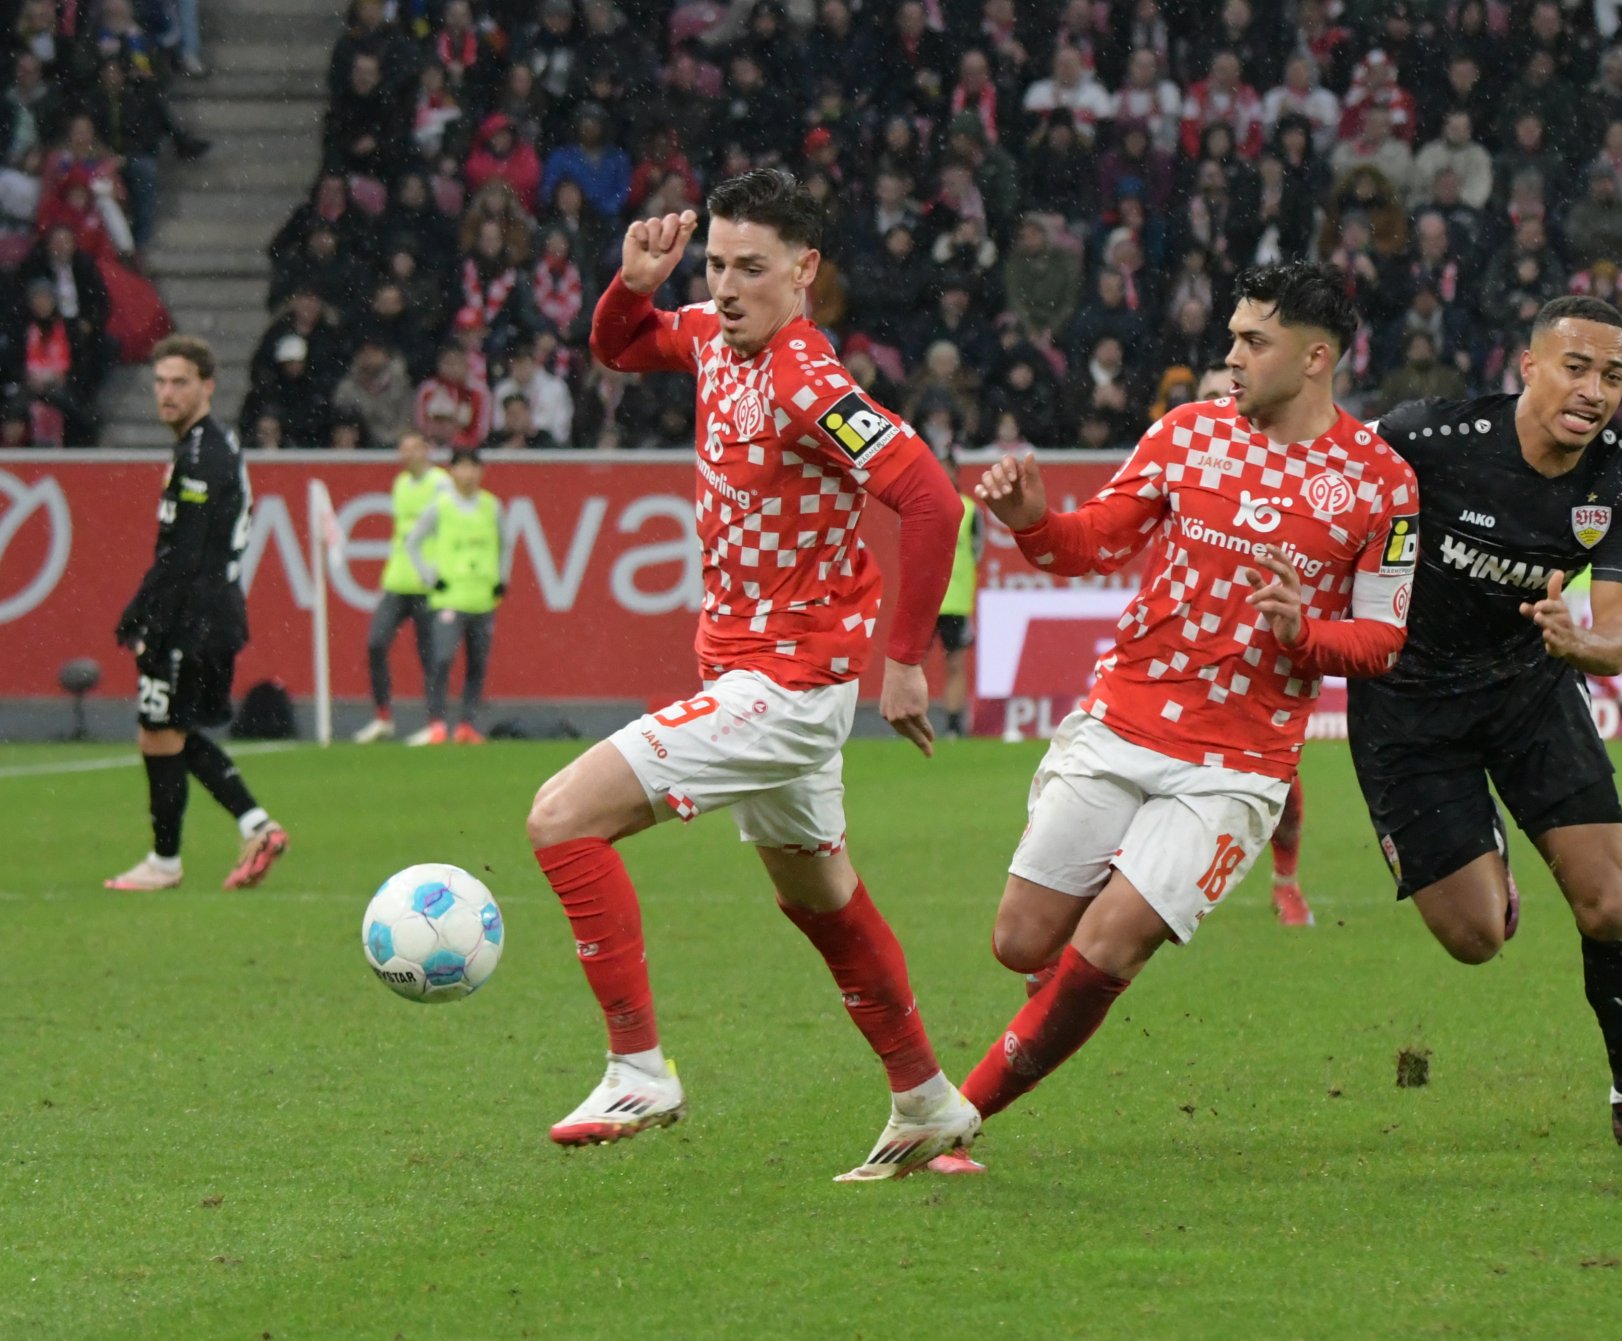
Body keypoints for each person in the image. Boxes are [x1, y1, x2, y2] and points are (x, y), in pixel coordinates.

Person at [523, 170, 978, 1180]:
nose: (725, 287)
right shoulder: (709, 336)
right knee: (822, 902)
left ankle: (639, 1067)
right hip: (759, 676)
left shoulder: (806, 380)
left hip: (784, 687)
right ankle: (927, 1101)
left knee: (561, 818)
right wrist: (633, 286)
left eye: (751, 269)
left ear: (804, 271)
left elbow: (933, 501)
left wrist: (904, 661)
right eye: (717, 263)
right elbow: (620, 346)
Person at [942, 263, 1420, 1157]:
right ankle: (1053, 992)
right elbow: (1091, 543)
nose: (1231, 356)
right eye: (1233, 337)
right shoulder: (1186, 433)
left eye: (1253, 341)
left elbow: (1383, 640)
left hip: (1237, 764)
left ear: (1316, 358)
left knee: (1110, 948)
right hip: (1122, 719)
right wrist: (1035, 520)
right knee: (1019, 940)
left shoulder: (1381, 480)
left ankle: (954, 1118)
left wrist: (1307, 634)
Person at [1354, 296, 1622, 1154]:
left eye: (1613, 376)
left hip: (1529, 692)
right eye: (1577, 367)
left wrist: (1584, 641)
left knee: (1608, 905)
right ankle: (1487, 860)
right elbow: (1327, 496)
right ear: (1530, 367)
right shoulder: (1424, 438)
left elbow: (1617, 635)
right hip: (1410, 706)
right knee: (1475, 939)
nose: (1594, 389)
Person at [106, 335, 290, 892]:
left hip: (195, 616)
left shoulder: (202, 456)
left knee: (159, 731)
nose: (167, 393)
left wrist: (144, 620)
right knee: (170, 731)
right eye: (160, 381)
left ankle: (166, 861)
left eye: (179, 382)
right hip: (208, 613)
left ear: (207, 385)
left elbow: (184, 556)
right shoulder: (207, 446)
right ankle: (257, 825)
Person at [1196, 360, 1315, 927]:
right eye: (1210, 397)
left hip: (1257, 654)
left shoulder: (1287, 472)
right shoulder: (1184, 463)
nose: (1225, 405)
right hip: (1187, 650)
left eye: (1231, 393)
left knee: (1280, 787)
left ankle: (1285, 883)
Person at [354, 432, 450, 743]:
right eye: (402, 449)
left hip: (427, 584)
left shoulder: (440, 484)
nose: (405, 455)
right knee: (375, 643)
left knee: (430, 656)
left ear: (427, 450)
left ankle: (436, 723)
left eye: (412, 449)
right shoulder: (400, 484)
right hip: (396, 580)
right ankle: (383, 717)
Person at [404, 447, 503, 746]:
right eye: (462, 467)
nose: (468, 473)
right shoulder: (441, 506)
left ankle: (466, 725)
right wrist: (429, 576)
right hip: (449, 599)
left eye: (474, 467)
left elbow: (506, 543)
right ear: (452, 472)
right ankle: (436, 723)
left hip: (482, 598)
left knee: (477, 664)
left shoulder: (492, 506)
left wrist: (502, 579)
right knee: (442, 659)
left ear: (480, 472)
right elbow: (413, 541)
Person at [934, 450, 983, 738]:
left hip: (954, 600)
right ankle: (914, 720)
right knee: (911, 662)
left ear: (954, 472)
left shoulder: (969, 509)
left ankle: (953, 727)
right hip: (925, 600)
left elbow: (977, 550)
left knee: (955, 663)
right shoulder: (920, 503)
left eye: (945, 469)